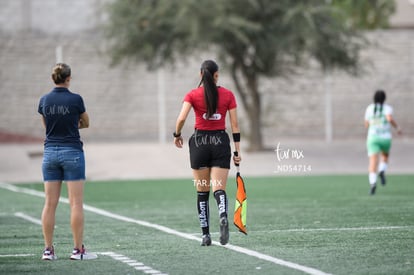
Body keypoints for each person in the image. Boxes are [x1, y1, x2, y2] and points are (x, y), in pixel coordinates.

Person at [174, 60, 242, 246]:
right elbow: (235, 125)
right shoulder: (228, 95)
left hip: (199, 143)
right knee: (219, 188)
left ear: (200, 75)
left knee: (202, 190)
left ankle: (205, 235)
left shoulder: (192, 94)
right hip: (220, 142)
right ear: (216, 75)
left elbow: (181, 119)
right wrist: (237, 151)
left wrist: (177, 134)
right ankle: (222, 214)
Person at [38, 63, 96, 260]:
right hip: (72, 152)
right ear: (68, 78)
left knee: (49, 203)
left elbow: (46, 126)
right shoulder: (76, 99)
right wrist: (73, 125)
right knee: (76, 203)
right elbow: (86, 122)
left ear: (53, 78)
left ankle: (48, 250)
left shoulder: (44, 100)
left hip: (49, 154)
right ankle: (78, 250)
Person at [364, 90, 402, 195]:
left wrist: (374, 123)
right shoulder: (387, 108)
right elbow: (389, 118)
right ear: (384, 99)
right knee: (384, 156)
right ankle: (381, 170)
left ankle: (373, 183)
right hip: (385, 138)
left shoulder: (369, 108)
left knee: (372, 162)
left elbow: (366, 125)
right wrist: (397, 128)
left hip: (372, 138)